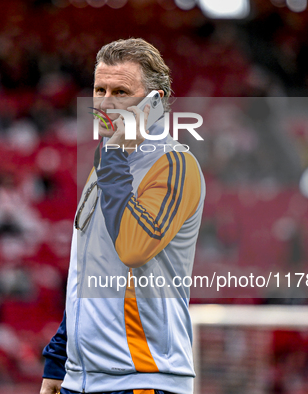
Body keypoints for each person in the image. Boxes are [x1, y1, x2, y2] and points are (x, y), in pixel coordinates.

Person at [40, 38, 206, 394]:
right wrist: (57, 364)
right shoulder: (105, 168)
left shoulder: (175, 165)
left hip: (143, 380)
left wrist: (113, 150)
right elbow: (87, 270)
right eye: (99, 89)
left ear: (154, 102)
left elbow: (132, 248)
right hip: (79, 380)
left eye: (121, 91)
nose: (105, 102)